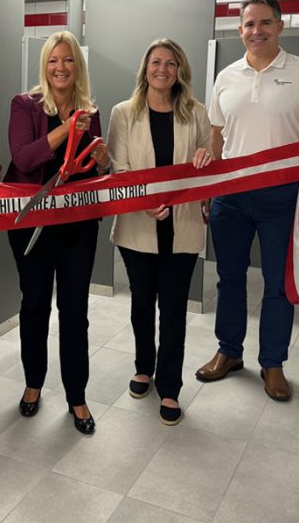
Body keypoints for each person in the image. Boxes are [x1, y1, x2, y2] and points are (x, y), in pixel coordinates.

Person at [195, 0, 299, 402]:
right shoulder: (226, 76)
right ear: (239, 30)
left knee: (279, 283)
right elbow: (216, 134)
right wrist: (211, 184)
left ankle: (273, 363)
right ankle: (228, 352)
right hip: (230, 195)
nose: (255, 31)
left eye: (264, 23)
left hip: (282, 196)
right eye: (248, 24)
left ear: (280, 26)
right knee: (228, 278)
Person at [4, 31, 110, 435]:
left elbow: (93, 170)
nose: (61, 68)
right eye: (53, 61)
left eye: (68, 61)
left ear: (77, 67)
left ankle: (76, 396)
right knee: (34, 306)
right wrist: (67, 128)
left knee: (75, 312)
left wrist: (102, 162)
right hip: (32, 225)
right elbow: (24, 159)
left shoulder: (90, 111)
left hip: (77, 227)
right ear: (44, 67)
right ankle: (33, 384)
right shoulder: (24, 105)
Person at [107, 39, 213, 426]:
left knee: (173, 310)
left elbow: (209, 164)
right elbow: (117, 172)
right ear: (145, 68)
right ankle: (143, 368)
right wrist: (141, 202)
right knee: (141, 305)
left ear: (180, 70)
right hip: (138, 227)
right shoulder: (124, 113)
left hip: (182, 227)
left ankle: (169, 386)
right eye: (156, 62)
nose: (163, 69)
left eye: (171, 63)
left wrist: (206, 158)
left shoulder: (196, 113)